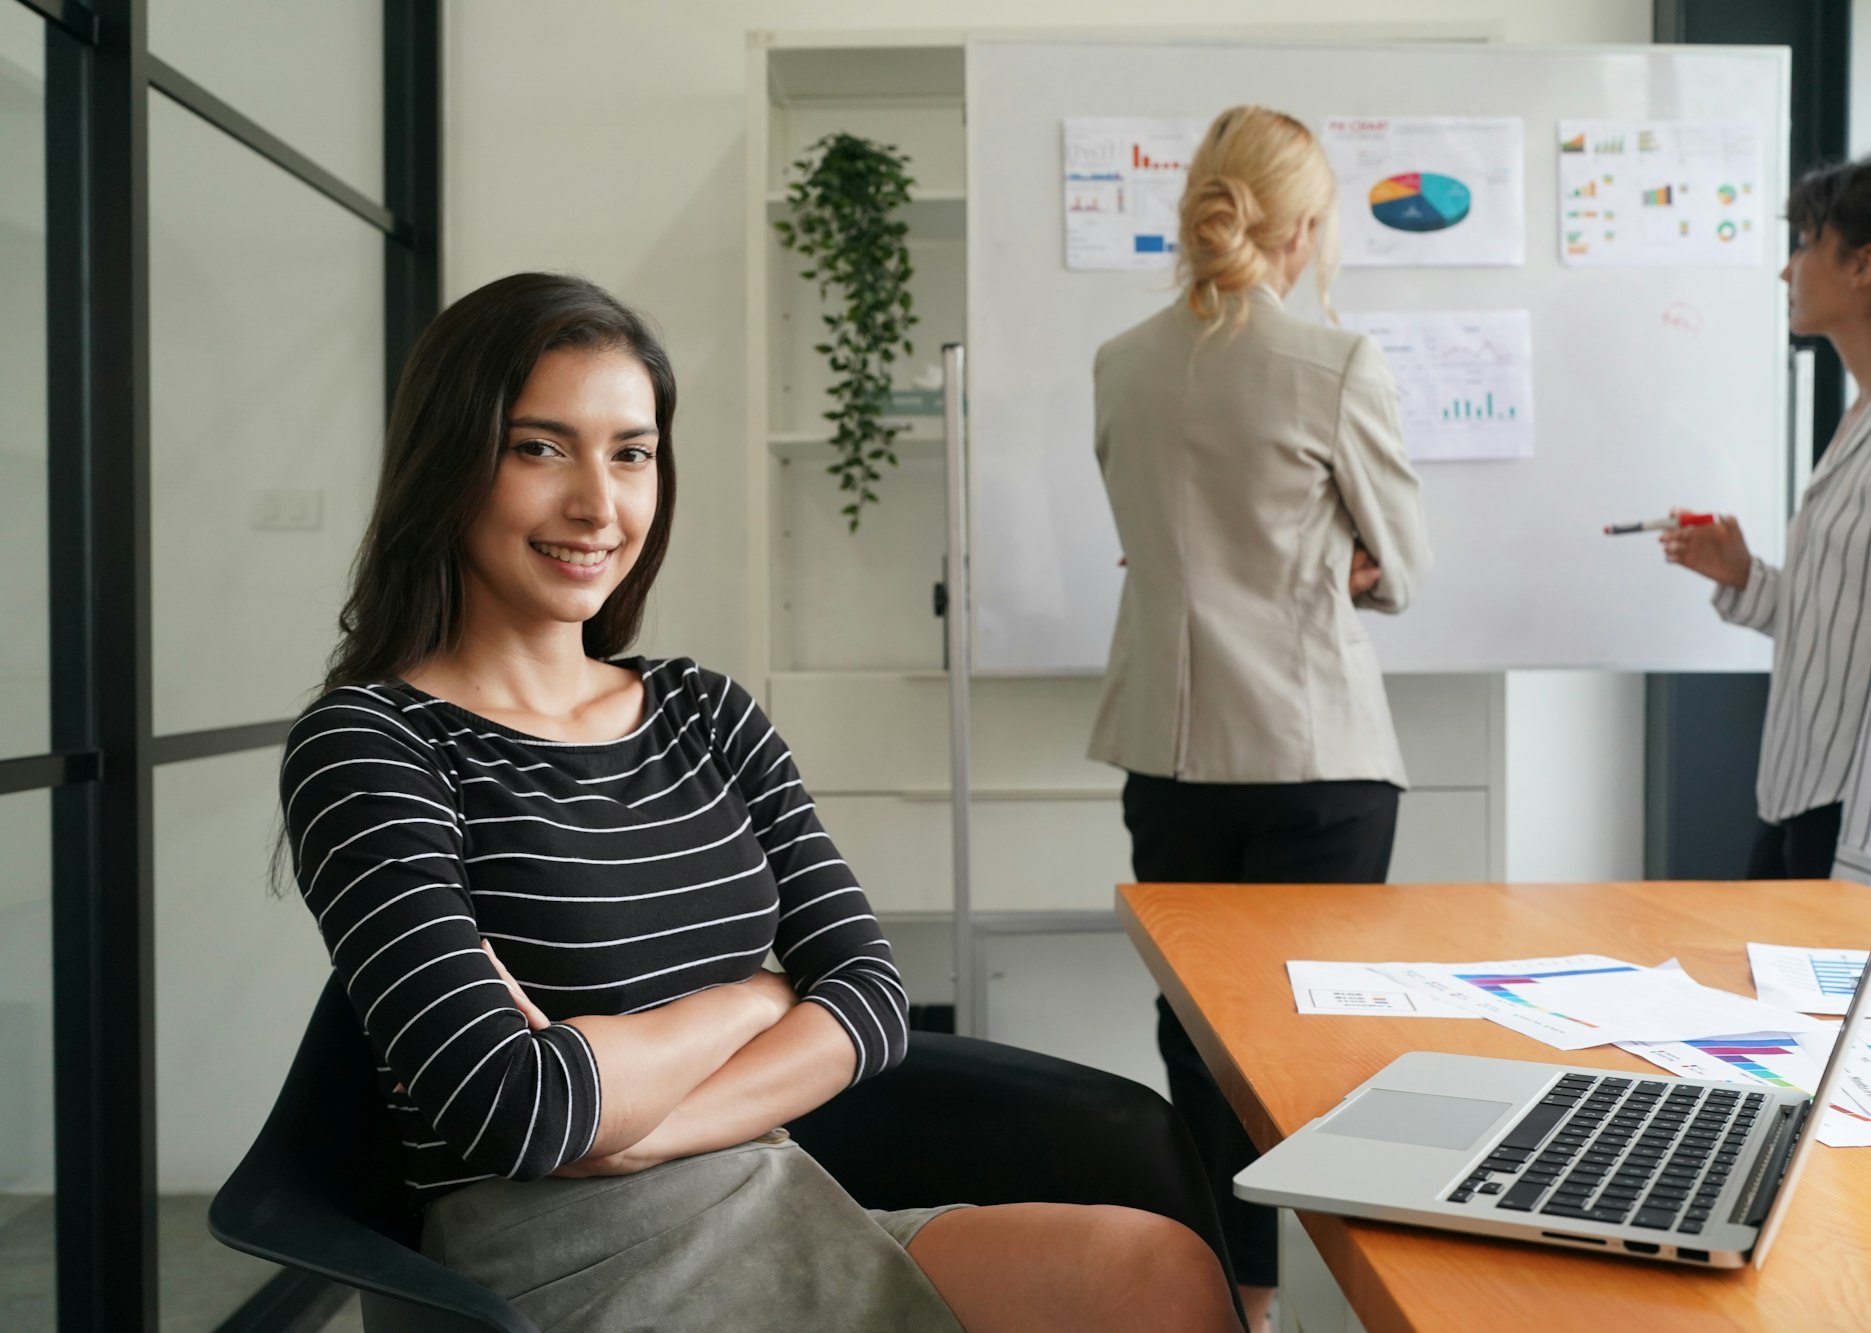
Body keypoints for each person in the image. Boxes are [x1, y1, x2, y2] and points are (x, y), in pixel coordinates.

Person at [279, 273, 1240, 1333]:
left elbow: (869, 996)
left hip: (776, 1194)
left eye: (631, 452)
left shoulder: (701, 711)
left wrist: (640, 1119)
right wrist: (755, 997)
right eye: (539, 447)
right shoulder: (372, 746)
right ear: (447, 461)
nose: (598, 505)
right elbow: (520, 1106)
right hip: (560, 1266)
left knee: (1158, 1271)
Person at [1087, 107, 1431, 1329]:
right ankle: (1376, 1297)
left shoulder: (1119, 359)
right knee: (1316, 1049)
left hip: (1171, 753)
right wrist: (1335, 563)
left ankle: (1239, 1303)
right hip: (1312, 755)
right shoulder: (1335, 365)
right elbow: (1402, 566)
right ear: (1305, 227)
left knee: (1198, 1048)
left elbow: (1150, 549)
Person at [1665, 155, 1871, 888]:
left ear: (1864, 265)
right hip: (1805, 791)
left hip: (1857, 817)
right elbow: (1850, 625)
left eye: (1806, 243)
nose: (1788, 272)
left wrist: (1869, 860)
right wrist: (1744, 577)